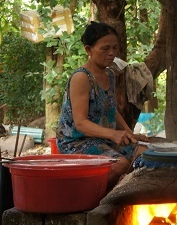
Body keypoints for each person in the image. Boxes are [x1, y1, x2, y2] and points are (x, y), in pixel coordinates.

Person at [56, 21, 148, 189]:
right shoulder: (81, 78)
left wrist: (130, 134)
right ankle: (86, 197)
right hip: (76, 143)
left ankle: (115, 193)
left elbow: (111, 110)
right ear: (88, 50)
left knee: (145, 154)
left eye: (115, 48)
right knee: (120, 164)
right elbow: (80, 123)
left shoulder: (110, 75)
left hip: (102, 140)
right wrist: (113, 134)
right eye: (105, 49)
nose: (111, 53)